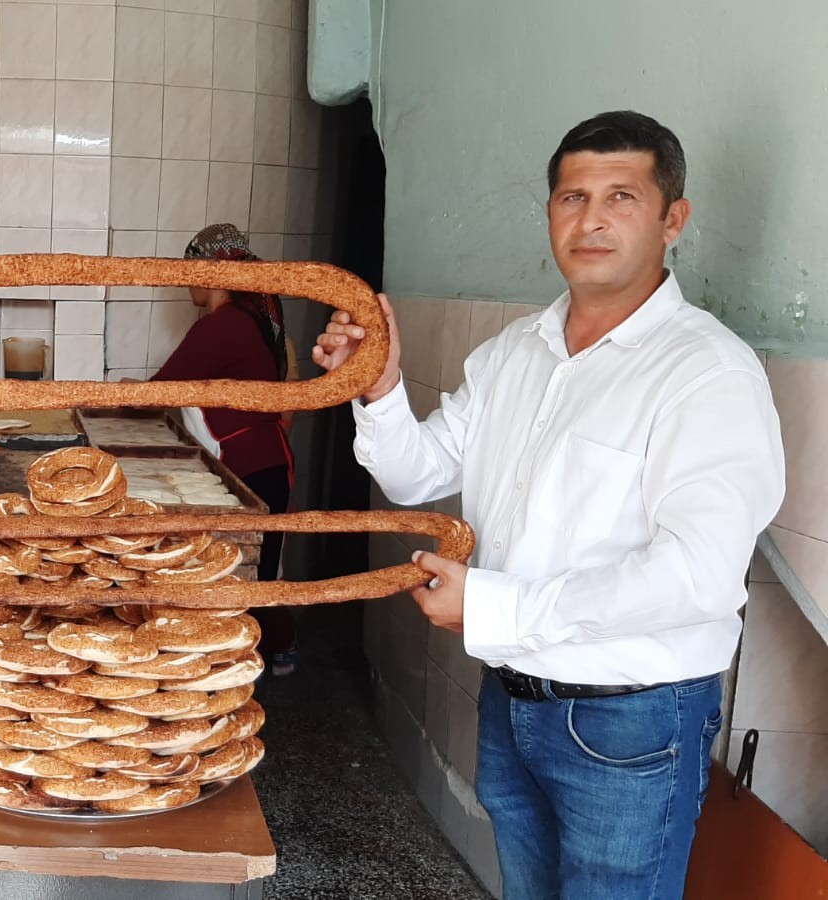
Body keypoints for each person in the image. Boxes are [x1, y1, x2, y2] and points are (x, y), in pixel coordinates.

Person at [312, 110, 785, 899]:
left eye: (622, 197)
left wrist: (498, 606)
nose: (591, 219)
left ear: (674, 220)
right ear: (549, 215)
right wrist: (379, 384)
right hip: (515, 700)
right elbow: (415, 474)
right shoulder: (512, 355)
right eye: (572, 197)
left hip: (633, 722)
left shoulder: (707, 374)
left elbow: (698, 575)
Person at [152, 223, 299, 675]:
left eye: (190, 269)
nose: (186, 280)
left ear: (212, 270)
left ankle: (262, 662)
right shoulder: (246, 320)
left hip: (252, 464)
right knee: (257, 566)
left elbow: (160, 391)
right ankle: (263, 656)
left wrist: (109, 395)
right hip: (263, 459)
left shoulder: (224, 326)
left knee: (250, 572)